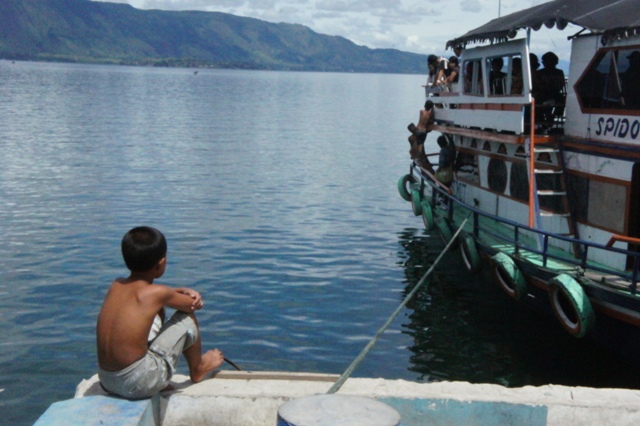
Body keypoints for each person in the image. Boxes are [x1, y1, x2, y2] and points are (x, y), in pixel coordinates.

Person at [96, 226, 224, 399]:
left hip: (107, 381)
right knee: (187, 319)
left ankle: (148, 374)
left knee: (159, 309)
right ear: (161, 263)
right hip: (137, 384)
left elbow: (155, 295)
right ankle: (198, 368)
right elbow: (191, 306)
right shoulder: (157, 294)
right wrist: (193, 296)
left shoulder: (116, 285)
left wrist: (173, 293)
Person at [407, 100, 435, 173]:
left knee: (418, 145)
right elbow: (430, 120)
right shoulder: (430, 114)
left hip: (418, 130)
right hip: (424, 131)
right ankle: (417, 156)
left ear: (425, 105)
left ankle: (415, 156)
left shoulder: (421, 111)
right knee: (419, 144)